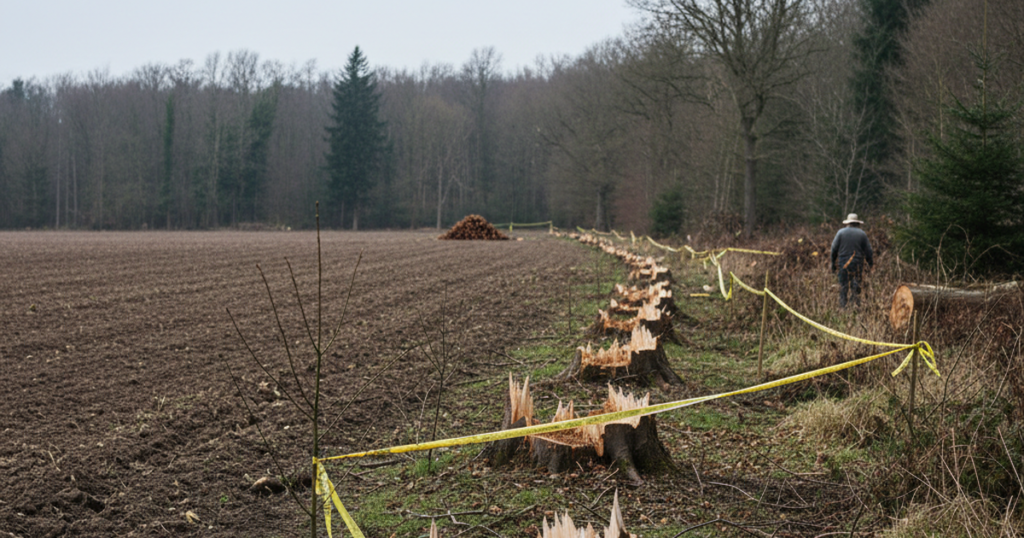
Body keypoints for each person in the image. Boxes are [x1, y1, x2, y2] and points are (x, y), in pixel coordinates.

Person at [831, 213, 873, 308]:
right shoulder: (862, 234)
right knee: (856, 287)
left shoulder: (840, 233)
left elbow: (833, 249)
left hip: (843, 264)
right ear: (857, 223)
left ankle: (843, 308)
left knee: (843, 287)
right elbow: (869, 251)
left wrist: (833, 263)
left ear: (847, 223)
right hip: (857, 264)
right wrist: (870, 264)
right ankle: (855, 308)